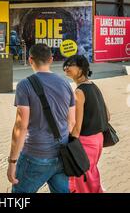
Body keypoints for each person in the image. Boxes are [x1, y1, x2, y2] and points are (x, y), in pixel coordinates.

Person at [7, 43, 75, 193]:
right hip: (62, 154)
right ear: (51, 59)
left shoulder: (25, 85)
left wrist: (12, 161)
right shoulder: (65, 83)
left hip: (36, 155)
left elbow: (21, 126)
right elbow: (72, 121)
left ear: (30, 60)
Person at [63, 55, 109, 193]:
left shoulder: (79, 92)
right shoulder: (93, 86)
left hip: (85, 141)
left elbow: (76, 126)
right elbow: (107, 115)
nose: (66, 68)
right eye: (65, 65)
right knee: (91, 172)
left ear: (81, 68)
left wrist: (70, 143)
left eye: (70, 64)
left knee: (81, 176)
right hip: (98, 139)